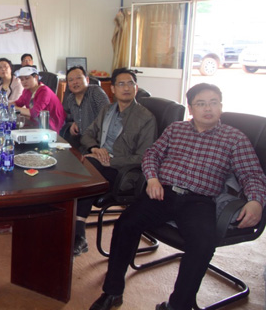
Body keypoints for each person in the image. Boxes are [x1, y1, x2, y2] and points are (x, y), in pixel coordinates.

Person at [89, 83, 266, 310]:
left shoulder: (234, 138)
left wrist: (255, 200)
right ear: (191, 108)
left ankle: (177, 305)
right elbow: (152, 154)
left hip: (200, 201)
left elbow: (252, 174)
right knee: (126, 223)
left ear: (221, 106)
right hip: (164, 192)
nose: (208, 108)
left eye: (213, 103)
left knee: (203, 243)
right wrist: (152, 178)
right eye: (201, 103)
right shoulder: (176, 129)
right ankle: (112, 292)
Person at [77, 68, 157, 256]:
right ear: (112, 89)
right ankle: (74, 229)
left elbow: (144, 157)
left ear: (136, 87)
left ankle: (78, 232)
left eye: (130, 83)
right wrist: (94, 149)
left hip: (123, 172)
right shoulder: (107, 110)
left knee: (86, 171)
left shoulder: (146, 118)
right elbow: (87, 134)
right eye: (121, 84)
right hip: (98, 162)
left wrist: (110, 162)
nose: (126, 88)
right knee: (79, 167)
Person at [62, 66, 110, 148]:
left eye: (78, 78)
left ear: (87, 80)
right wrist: (74, 123)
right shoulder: (70, 99)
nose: (75, 82)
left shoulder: (96, 92)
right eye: (71, 80)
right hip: (82, 141)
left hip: (98, 142)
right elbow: (73, 117)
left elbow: (108, 116)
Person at [14, 66, 65, 133]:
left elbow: (34, 113)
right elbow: (18, 103)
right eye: (22, 80)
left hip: (51, 126)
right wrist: (6, 105)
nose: (24, 82)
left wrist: (14, 108)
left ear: (36, 77)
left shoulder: (44, 91)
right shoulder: (27, 90)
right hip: (37, 123)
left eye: (27, 78)